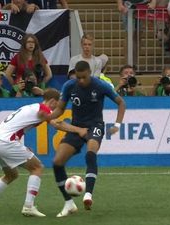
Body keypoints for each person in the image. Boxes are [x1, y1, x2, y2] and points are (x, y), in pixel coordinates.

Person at [0, 88, 88, 217]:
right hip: (5, 142)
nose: (56, 110)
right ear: (52, 101)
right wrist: (78, 130)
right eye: (56, 106)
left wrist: (20, 146)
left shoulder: (29, 107)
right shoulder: (43, 109)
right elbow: (57, 124)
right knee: (37, 167)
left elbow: (17, 126)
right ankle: (28, 206)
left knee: (11, 175)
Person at [45, 61, 126, 217]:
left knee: (90, 152)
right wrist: (48, 117)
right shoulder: (69, 86)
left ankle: (88, 194)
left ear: (89, 73)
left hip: (95, 125)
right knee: (57, 162)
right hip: (76, 127)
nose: (80, 80)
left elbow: (121, 103)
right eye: (78, 77)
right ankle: (68, 203)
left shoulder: (101, 85)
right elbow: (61, 108)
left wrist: (117, 125)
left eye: (83, 77)